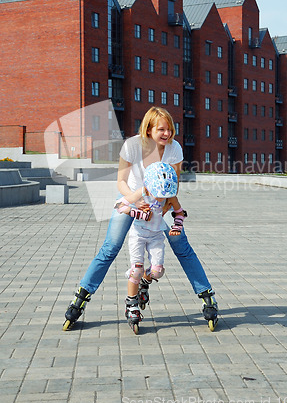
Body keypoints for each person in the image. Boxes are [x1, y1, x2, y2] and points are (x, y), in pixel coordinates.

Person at [63, 106, 218, 332]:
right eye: (161, 129)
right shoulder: (132, 146)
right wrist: (134, 201)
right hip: (132, 196)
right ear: (148, 129)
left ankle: (207, 296)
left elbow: (172, 186)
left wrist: (163, 209)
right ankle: (81, 297)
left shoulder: (174, 148)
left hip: (160, 200)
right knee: (110, 247)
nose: (167, 134)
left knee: (181, 246)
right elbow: (121, 181)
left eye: (170, 129)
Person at [122, 161, 185, 333]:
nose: (160, 197)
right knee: (136, 269)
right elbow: (121, 205)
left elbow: (180, 213)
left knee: (157, 272)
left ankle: (145, 281)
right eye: (157, 193)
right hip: (138, 236)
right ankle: (131, 303)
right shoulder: (142, 192)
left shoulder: (169, 195)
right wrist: (137, 211)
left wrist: (176, 227)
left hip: (156, 237)